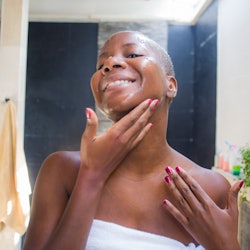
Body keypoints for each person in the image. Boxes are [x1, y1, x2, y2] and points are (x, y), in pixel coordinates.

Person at [23, 31, 243, 250]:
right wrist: (91, 177)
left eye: (133, 54)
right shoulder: (63, 171)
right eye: (101, 66)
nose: (109, 64)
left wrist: (227, 246)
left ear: (171, 85)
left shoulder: (211, 189)